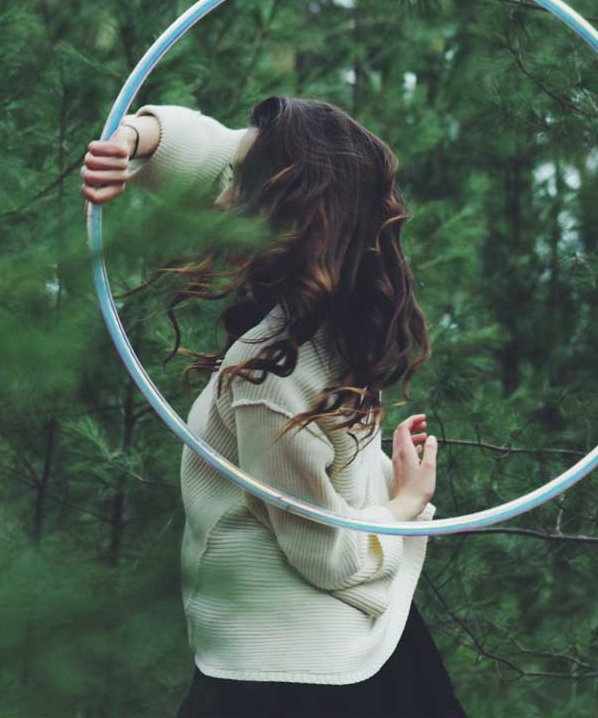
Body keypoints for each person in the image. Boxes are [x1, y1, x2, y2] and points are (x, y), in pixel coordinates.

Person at [81, 97, 467, 718]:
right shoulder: (328, 317)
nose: (217, 196)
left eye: (236, 182)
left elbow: (326, 553)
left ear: (276, 207)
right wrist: (132, 136)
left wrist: (402, 504)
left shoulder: (273, 370)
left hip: (301, 682)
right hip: (332, 658)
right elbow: (212, 153)